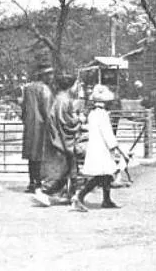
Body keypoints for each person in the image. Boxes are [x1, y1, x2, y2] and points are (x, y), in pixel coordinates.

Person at [71, 86, 130, 211]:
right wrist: (118, 149)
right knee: (101, 175)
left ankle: (106, 199)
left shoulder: (93, 113)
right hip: (102, 148)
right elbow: (108, 134)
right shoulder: (102, 114)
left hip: (97, 147)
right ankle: (79, 197)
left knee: (107, 174)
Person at [33, 76, 86, 209]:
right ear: (70, 86)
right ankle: (45, 191)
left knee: (70, 169)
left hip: (59, 138)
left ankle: (72, 196)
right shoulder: (64, 100)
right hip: (62, 140)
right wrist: (79, 120)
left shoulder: (60, 99)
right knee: (64, 170)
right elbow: (65, 121)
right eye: (75, 85)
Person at [20, 66, 54, 193]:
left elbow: (23, 107)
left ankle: (32, 182)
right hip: (41, 126)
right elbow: (47, 109)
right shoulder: (44, 89)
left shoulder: (27, 88)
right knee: (40, 153)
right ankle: (39, 183)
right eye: (48, 75)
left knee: (31, 155)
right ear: (42, 76)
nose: (51, 77)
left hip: (29, 125)